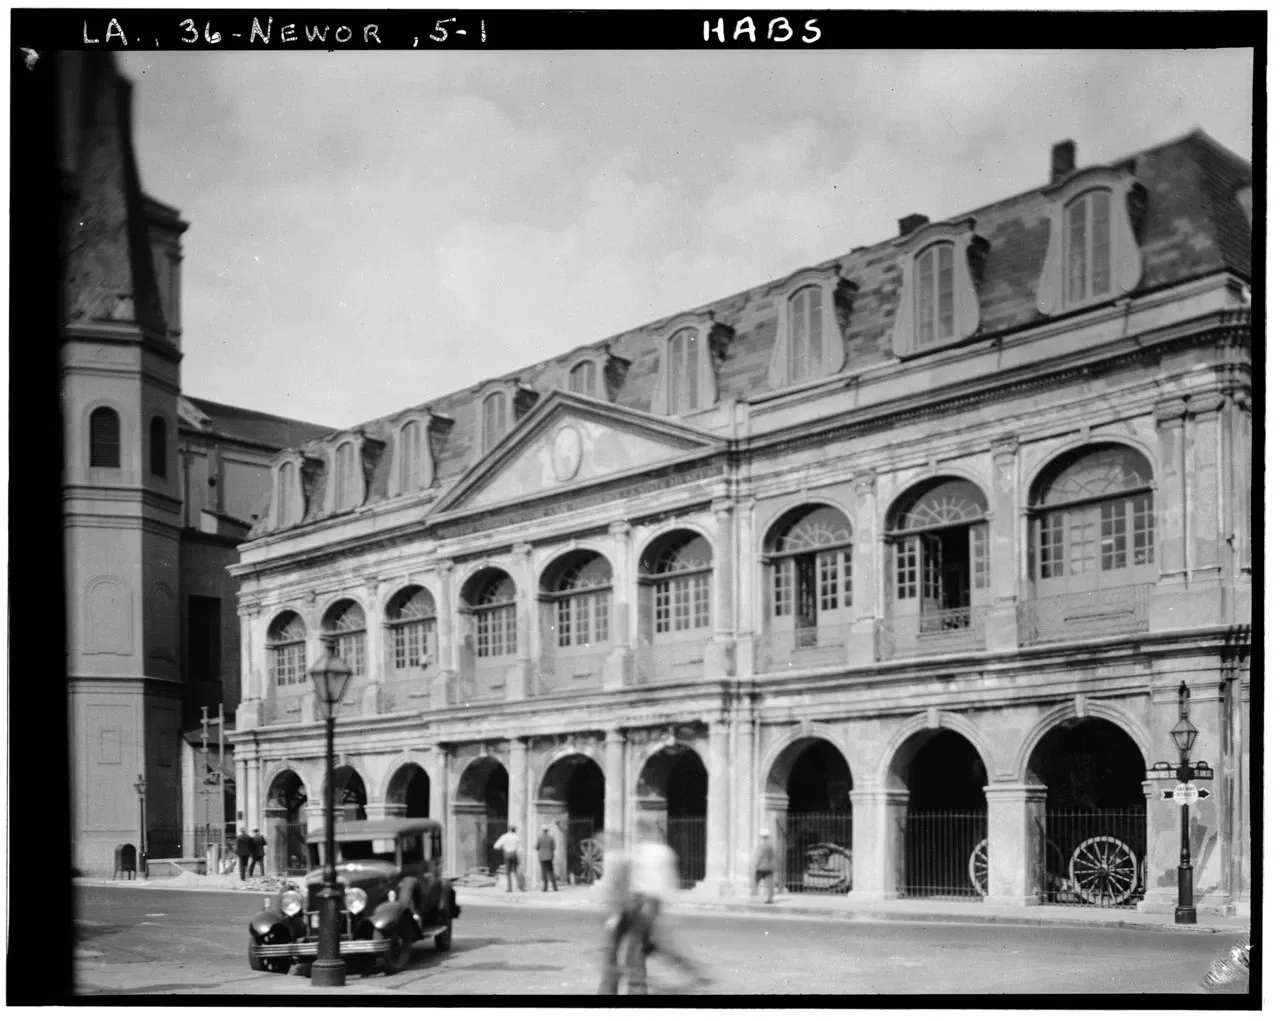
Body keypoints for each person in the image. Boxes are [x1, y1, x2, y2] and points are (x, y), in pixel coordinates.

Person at [618, 819, 708, 994]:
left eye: (640, 833)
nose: (639, 836)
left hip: (648, 903)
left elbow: (664, 882)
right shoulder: (651, 852)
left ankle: (637, 988)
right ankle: (692, 972)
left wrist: (666, 908)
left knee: (637, 947)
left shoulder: (654, 853)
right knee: (650, 946)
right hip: (645, 903)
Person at [493, 826, 522, 892]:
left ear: (509, 829)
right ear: (515, 829)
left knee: (508, 872)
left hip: (507, 855)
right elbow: (519, 849)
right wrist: (519, 857)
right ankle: (519, 887)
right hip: (514, 854)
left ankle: (509, 888)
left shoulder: (504, 836)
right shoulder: (516, 837)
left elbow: (496, 846)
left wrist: (502, 848)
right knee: (515, 871)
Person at [752, 828, 776, 904]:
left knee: (756, 881)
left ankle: (753, 894)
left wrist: (756, 864)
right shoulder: (771, 845)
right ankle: (770, 899)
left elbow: (760, 856)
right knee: (769, 884)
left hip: (761, 867)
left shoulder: (761, 845)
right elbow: (773, 856)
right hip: (769, 867)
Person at [536, 826, 558, 892]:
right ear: (547, 830)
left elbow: (537, 847)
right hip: (549, 856)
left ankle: (545, 888)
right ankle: (555, 887)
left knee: (544, 872)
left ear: (543, 830)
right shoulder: (551, 838)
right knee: (551, 871)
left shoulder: (540, 838)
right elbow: (554, 847)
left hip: (542, 857)